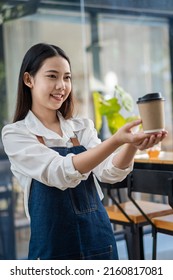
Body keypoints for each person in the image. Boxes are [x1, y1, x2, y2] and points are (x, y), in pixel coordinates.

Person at [1, 43, 167, 260]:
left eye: (67, 77)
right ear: (28, 80)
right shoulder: (16, 134)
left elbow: (108, 171)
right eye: (52, 76)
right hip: (53, 251)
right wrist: (116, 140)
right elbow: (60, 172)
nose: (62, 85)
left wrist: (130, 145)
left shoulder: (81, 127)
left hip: (99, 243)